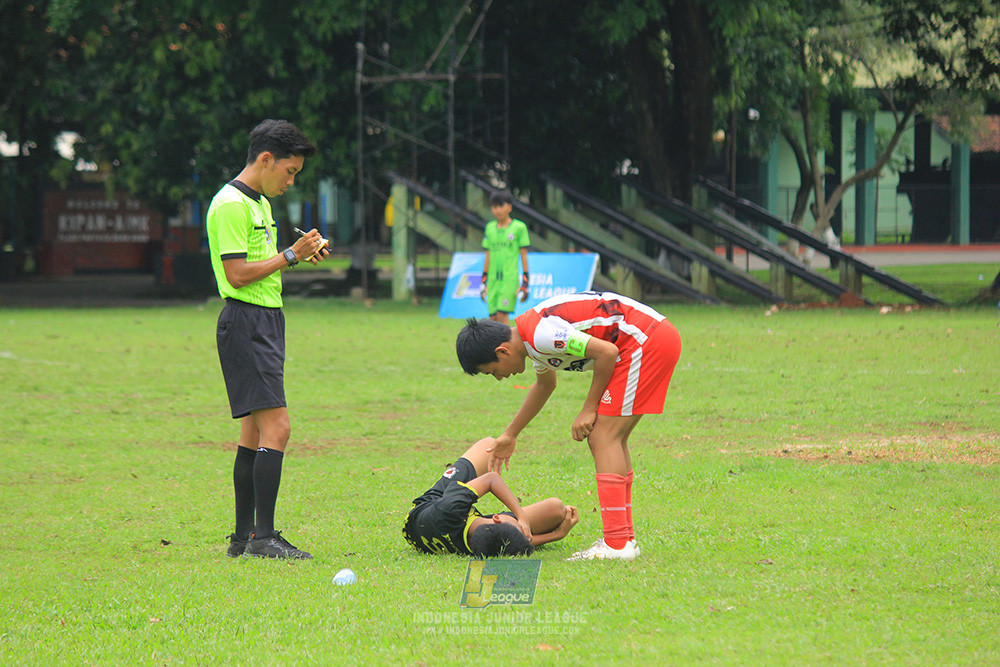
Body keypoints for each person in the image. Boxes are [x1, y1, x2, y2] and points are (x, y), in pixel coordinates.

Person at [455, 291, 682, 562]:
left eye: (492, 371)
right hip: (651, 338)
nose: (499, 378)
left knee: (603, 437)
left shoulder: (540, 336)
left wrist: (589, 408)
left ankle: (617, 543)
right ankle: (624, 539)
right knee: (613, 439)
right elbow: (545, 385)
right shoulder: (531, 340)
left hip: (646, 340)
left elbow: (607, 353)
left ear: (502, 351)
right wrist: (511, 434)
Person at [206, 119, 330, 560]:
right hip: (246, 323)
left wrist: (295, 256)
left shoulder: (259, 203)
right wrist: (289, 255)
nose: (292, 180)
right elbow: (237, 275)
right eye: (290, 171)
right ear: (265, 159)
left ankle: (244, 538)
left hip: (264, 322)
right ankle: (265, 537)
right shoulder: (230, 205)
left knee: (252, 430)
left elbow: (263, 264)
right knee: (278, 427)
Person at [403, 437, 580, 557]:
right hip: (440, 528)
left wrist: (522, 517)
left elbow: (491, 479)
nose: (524, 530)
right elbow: (513, 545)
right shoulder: (481, 545)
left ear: (496, 518)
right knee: (557, 510)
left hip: (429, 507)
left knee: (489, 445)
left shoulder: (451, 506)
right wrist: (558, 535)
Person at [480, 190, 530, 325]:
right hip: (493, 280)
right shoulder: (489, 228)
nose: (498, 210)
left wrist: (526, 280)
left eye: (501, 206)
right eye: (494, 206)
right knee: (493, 318)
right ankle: (497, 346)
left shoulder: (519, 227)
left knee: (502, 315)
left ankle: (508, 346)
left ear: (510, 207)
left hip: (509, 279)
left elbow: (523, 255)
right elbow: (488, 255)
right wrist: (484, 278)